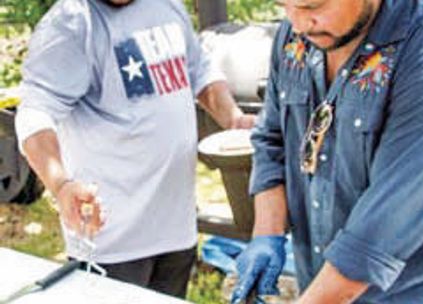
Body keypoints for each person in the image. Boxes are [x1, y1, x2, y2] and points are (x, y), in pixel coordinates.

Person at [232, 0, 423, 303]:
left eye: (312, 6)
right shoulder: (298, 36)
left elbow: (384, 228)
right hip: (326, 286)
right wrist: (267, 234)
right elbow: (272, 139)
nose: (297, 24)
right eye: (285, 5)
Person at [15, 0, 255, 298]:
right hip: (112, 242)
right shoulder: (71, 24)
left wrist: (233, 118)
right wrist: (61, 185)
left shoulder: (167, 5)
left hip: (176, 227)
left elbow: (200, 71)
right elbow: (34, 113)